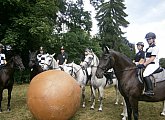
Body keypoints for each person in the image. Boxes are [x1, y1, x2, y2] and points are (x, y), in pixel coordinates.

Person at [137, 32, 159, 96]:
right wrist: (139, 64)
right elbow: (144, 59)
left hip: (153, 64)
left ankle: (150, 90)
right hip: (148, 64)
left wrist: (144, 64)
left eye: (149, 39)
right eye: (147, 39)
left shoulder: (155, 48)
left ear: (153, 39)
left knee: (145, 74)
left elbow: (152, 58)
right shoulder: (147, 48)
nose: (148, 40)